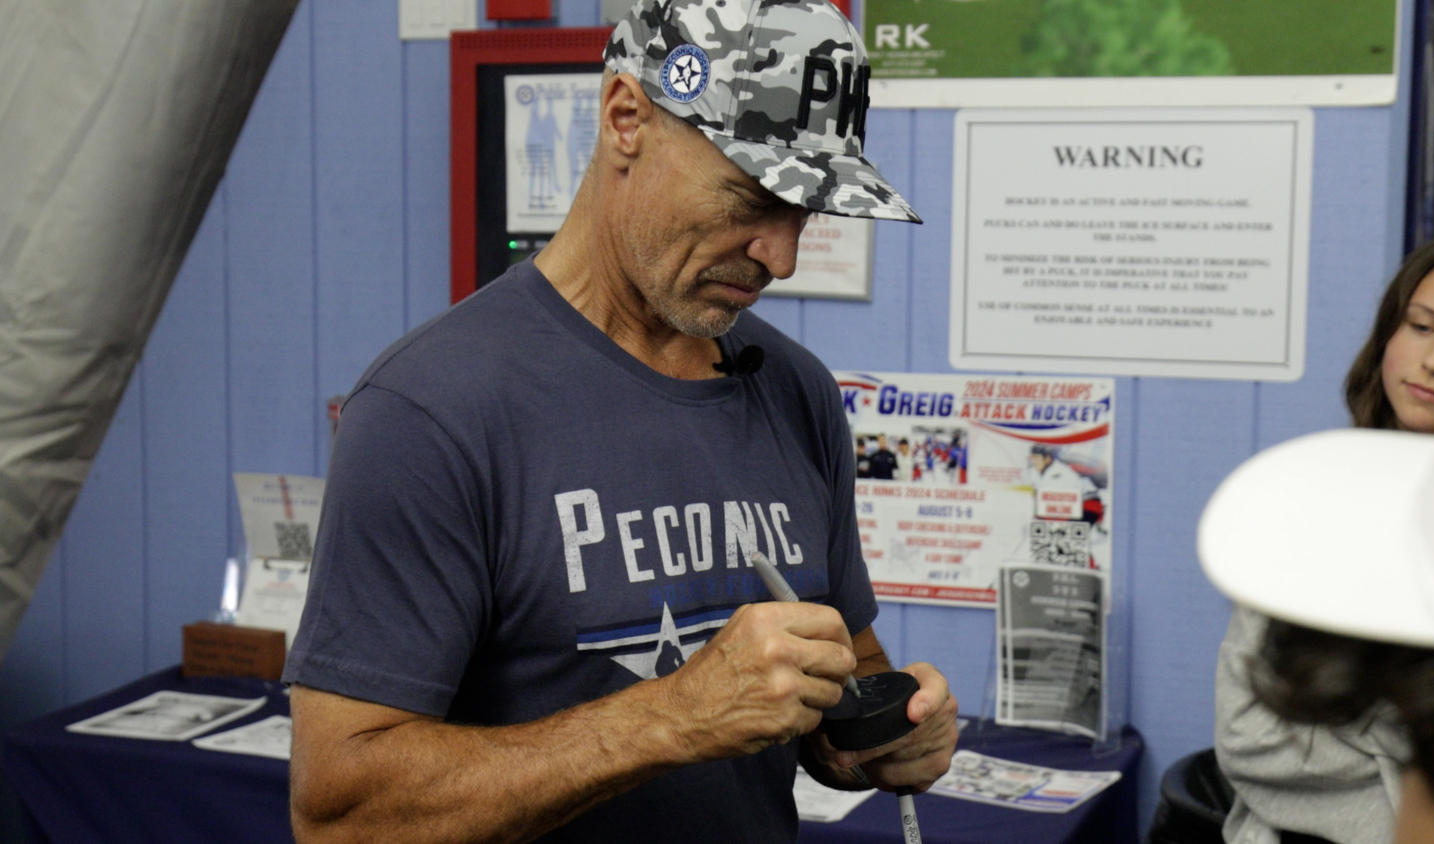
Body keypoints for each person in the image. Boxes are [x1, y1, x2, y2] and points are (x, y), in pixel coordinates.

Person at [281, 0, 958, 842]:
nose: (780, 256)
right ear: (626, 117)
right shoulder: (431, 413)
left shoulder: (795, 391)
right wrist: (670, 719)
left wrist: (884, 733)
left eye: (807, 211)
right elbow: (341, 817)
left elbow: (840, 688)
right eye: (751, 197)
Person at [1214, 226, 1434, 844]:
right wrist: (1416, 768)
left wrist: (1347, 731)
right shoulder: (1314, 499)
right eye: (1421, 326)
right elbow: (1250, 739)